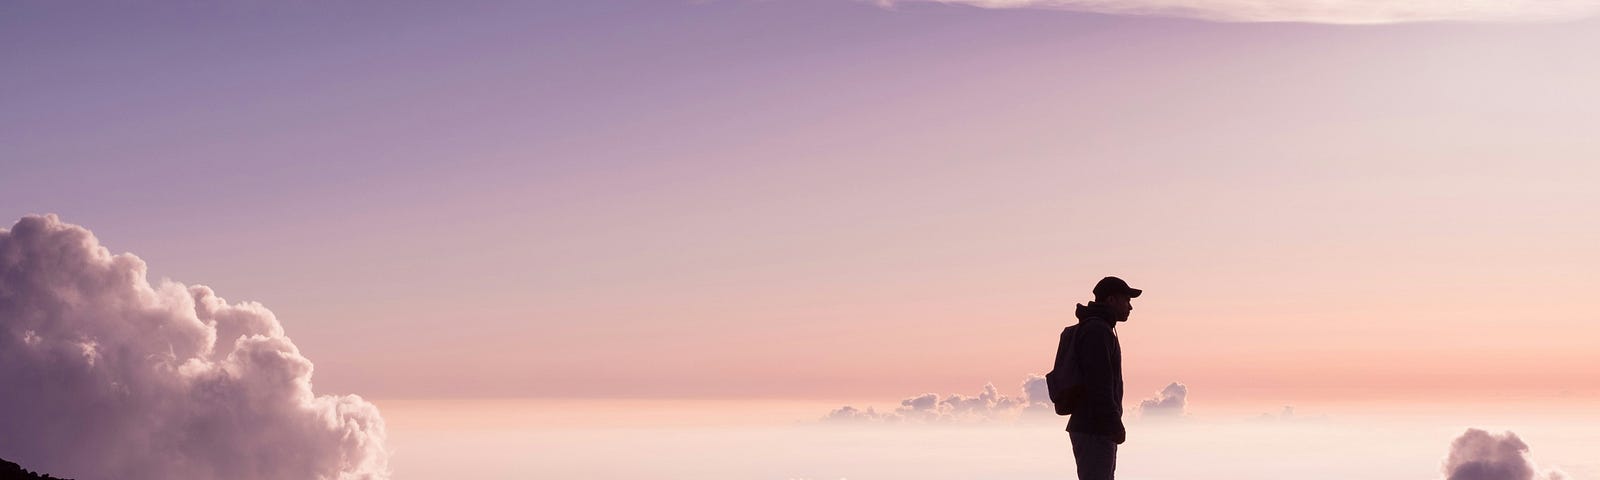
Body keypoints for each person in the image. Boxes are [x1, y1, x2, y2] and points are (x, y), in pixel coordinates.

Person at [1068, 276, 1140, 480]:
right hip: (1095, 428)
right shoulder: (1098, 331)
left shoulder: (1098, 329)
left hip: (1093, 426)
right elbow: (1099, 383)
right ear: (1111, 300)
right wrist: (1114, 423)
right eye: (1126, 300)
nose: (1130, 307)